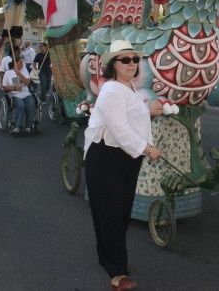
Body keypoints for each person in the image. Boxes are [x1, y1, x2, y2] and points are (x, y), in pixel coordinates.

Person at [84, 40, 163, 291]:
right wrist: (147, 148)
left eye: (134, 59)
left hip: (125, 157)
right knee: (111, 213)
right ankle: (117, 273)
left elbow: (131, 119)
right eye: (125, 60)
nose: (132, 64)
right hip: (106, 156)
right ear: (113, 65)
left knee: (118, 213)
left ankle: (107, 257)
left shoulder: (127, 88)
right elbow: (119, 129)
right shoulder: (111, 90)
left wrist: (148, 111)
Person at [2, 52, 35, 134]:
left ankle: (28, 126)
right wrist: (15, 88)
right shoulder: (8, 73)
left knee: (31, 105)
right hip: (14, 95)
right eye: (20, 62)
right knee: (21, 105)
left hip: (26, 93)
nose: (22, 64)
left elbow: (27, 83)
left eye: (22, 62)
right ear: (15, 63)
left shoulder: (24, 71)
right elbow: (4, 88)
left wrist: (19, 74)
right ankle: (17, 126)